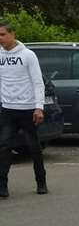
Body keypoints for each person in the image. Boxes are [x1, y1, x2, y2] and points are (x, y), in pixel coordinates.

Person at [0, 19, 47, 198]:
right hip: (8, 109)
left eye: (3, 34)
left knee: (34, 147)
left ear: (13, 34)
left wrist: (39, 107)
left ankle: (41, 182)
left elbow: (37, 82)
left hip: (27, 110)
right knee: (3, 147)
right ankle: (2, 186)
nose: (0, 38)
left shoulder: (28, 55)